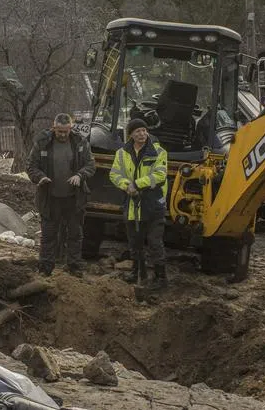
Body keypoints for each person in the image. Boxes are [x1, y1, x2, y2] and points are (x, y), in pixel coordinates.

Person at [26, 113, 95, 277]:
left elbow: (90, 164)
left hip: (74, 198)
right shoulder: (43, 142)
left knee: (75, 234)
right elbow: (31, 166)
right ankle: (45, 267)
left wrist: (80, 175)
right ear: (53, 127)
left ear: (70, 128)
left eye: (66, 131)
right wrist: (40, 177)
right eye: (59, 132)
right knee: (49, 235)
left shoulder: (79, 142)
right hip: (50, 198)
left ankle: (74, 267)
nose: (63, 135)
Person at [109, 118, 168, 289]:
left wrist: (138, 184)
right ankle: (137, 272)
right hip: (132, 204)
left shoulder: (158, 152)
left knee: (154, 242)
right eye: (138, 132)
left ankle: (161, 277)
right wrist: (127, 186)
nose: (142, 134)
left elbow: (160, 175)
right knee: (135, 241)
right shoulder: (122, 153)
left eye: (144, 130)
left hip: (153, 204)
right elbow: (114, 174)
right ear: (131, 135)